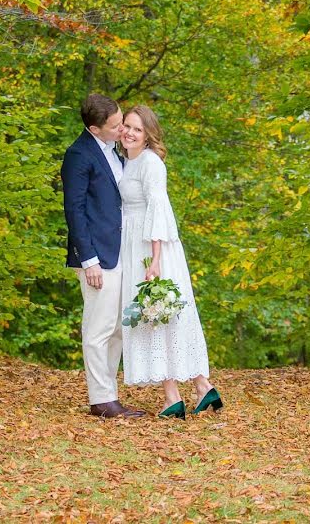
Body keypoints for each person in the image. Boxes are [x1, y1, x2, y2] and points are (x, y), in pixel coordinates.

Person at [117, 105, 223, 419]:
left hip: (153, 248)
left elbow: (159, 210)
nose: (130, 133)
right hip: (135, 244)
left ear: (148, 134)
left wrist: (156, 261)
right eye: (126, 126)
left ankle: (177, 396)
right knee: (155, 317)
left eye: (137, 129)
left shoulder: (151, 163)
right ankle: (199, 388)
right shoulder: (128, 161)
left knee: (161, 314)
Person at [61, 94, 145, 418]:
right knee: (98, 328)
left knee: (118, 328)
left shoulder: (117, 153)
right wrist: (88, 260)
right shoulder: (78, 155)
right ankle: (100, 399)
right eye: (115, 125)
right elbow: (75, 211)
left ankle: (109, 395)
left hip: (122, 252)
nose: (122, 128)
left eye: (122, 119)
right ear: (95, 129)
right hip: (96, 258)